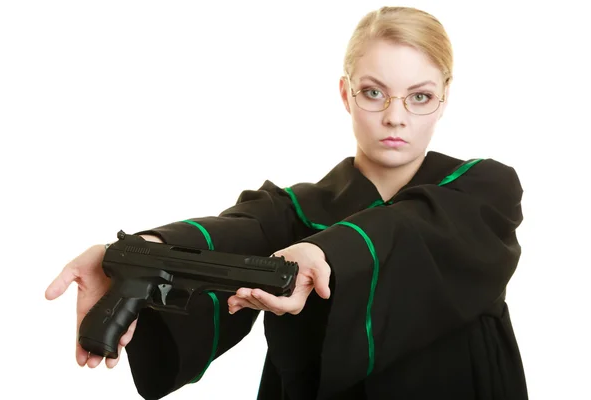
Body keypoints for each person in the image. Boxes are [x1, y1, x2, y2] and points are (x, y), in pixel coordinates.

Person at [45, 6, 528, 400]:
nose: (395, 116)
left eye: (419, 96)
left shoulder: (483, 190)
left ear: (444, 98)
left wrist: (323, 254)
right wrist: (135, 255)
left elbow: (414, 228)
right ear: (345, 93)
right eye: (374, 92)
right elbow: (235, 231)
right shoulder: (296, 210)